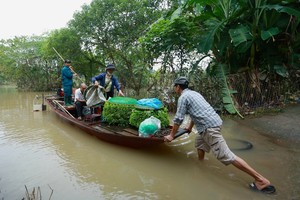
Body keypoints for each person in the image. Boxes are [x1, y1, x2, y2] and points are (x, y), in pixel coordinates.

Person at [164, 77, 276, 194]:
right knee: (200, 143)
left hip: (209, 128)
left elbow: (178, 119)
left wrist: (171, 136)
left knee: (227, 155)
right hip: (212, 123)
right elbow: (195, 112)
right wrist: (190, 127)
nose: (175, 89)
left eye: (175, 87)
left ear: (178, 87)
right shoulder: (194, 94)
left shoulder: (183, 97)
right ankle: (201, 164)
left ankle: (261, 180)